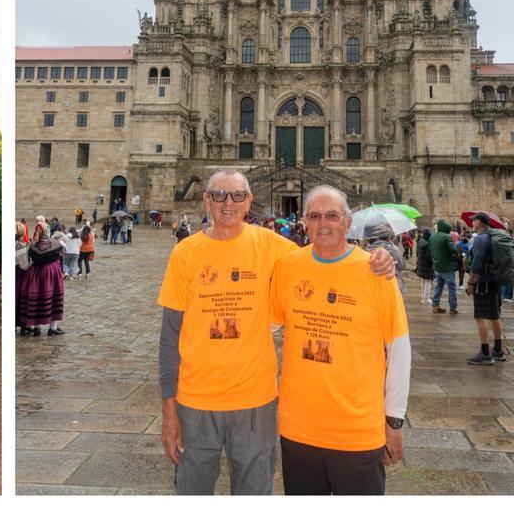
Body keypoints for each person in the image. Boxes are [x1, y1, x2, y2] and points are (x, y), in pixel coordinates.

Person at [157, 171, 393, 495]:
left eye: (237, 195)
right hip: (194, 402)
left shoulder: (271, 246)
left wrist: (382, 259)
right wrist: (169, 411)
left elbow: (327, 255)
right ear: (206, 200)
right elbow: (169, 337)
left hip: (256, 402)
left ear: (249, 202)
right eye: (220, 195)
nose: (229, 203)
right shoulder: (184, 253)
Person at [270, 185, 410, 495]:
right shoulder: (288, 265)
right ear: (305, 221)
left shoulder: (376, 273)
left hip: (358, 432)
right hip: (298, 431)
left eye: (332, 216)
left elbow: (399, 350)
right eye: (315, 216)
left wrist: (395, 422)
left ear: (348, 223)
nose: (323, 224)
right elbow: (265, 326)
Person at [464, 213, 506, 365]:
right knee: (494, 315)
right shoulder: (492, 237)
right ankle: (498, 350)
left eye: (473, 220)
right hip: (495, 281)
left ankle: (485, 353)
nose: (471, 223)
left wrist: (470, 283)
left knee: (480, 316)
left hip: (483, 283)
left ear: (479, 222)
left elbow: (477, 263)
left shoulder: (481, 239)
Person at [19, 222, 65, 336]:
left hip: (35, 273)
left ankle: (36, 327)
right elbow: (60, 257)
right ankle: (53, 328)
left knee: (35, 298)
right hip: (51, 272)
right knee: (54, 298)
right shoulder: (56, 245)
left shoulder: (33, 246)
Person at [429, 219, 459, 311]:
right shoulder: (446, 237)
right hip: (447, 267)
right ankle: (453, 307)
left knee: (439, 285)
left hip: (437, 266)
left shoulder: (432, 237)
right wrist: (457, 253)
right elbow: (453, 250)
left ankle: (435, 304)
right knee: (452, 287)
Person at [415, 227, 436, 305]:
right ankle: (425, 299)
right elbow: (429, 256)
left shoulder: (420, 241)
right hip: (427, 265)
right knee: (428, 281)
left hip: (421, 263)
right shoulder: (428, 244)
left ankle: (422, 297)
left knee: (423, 281)